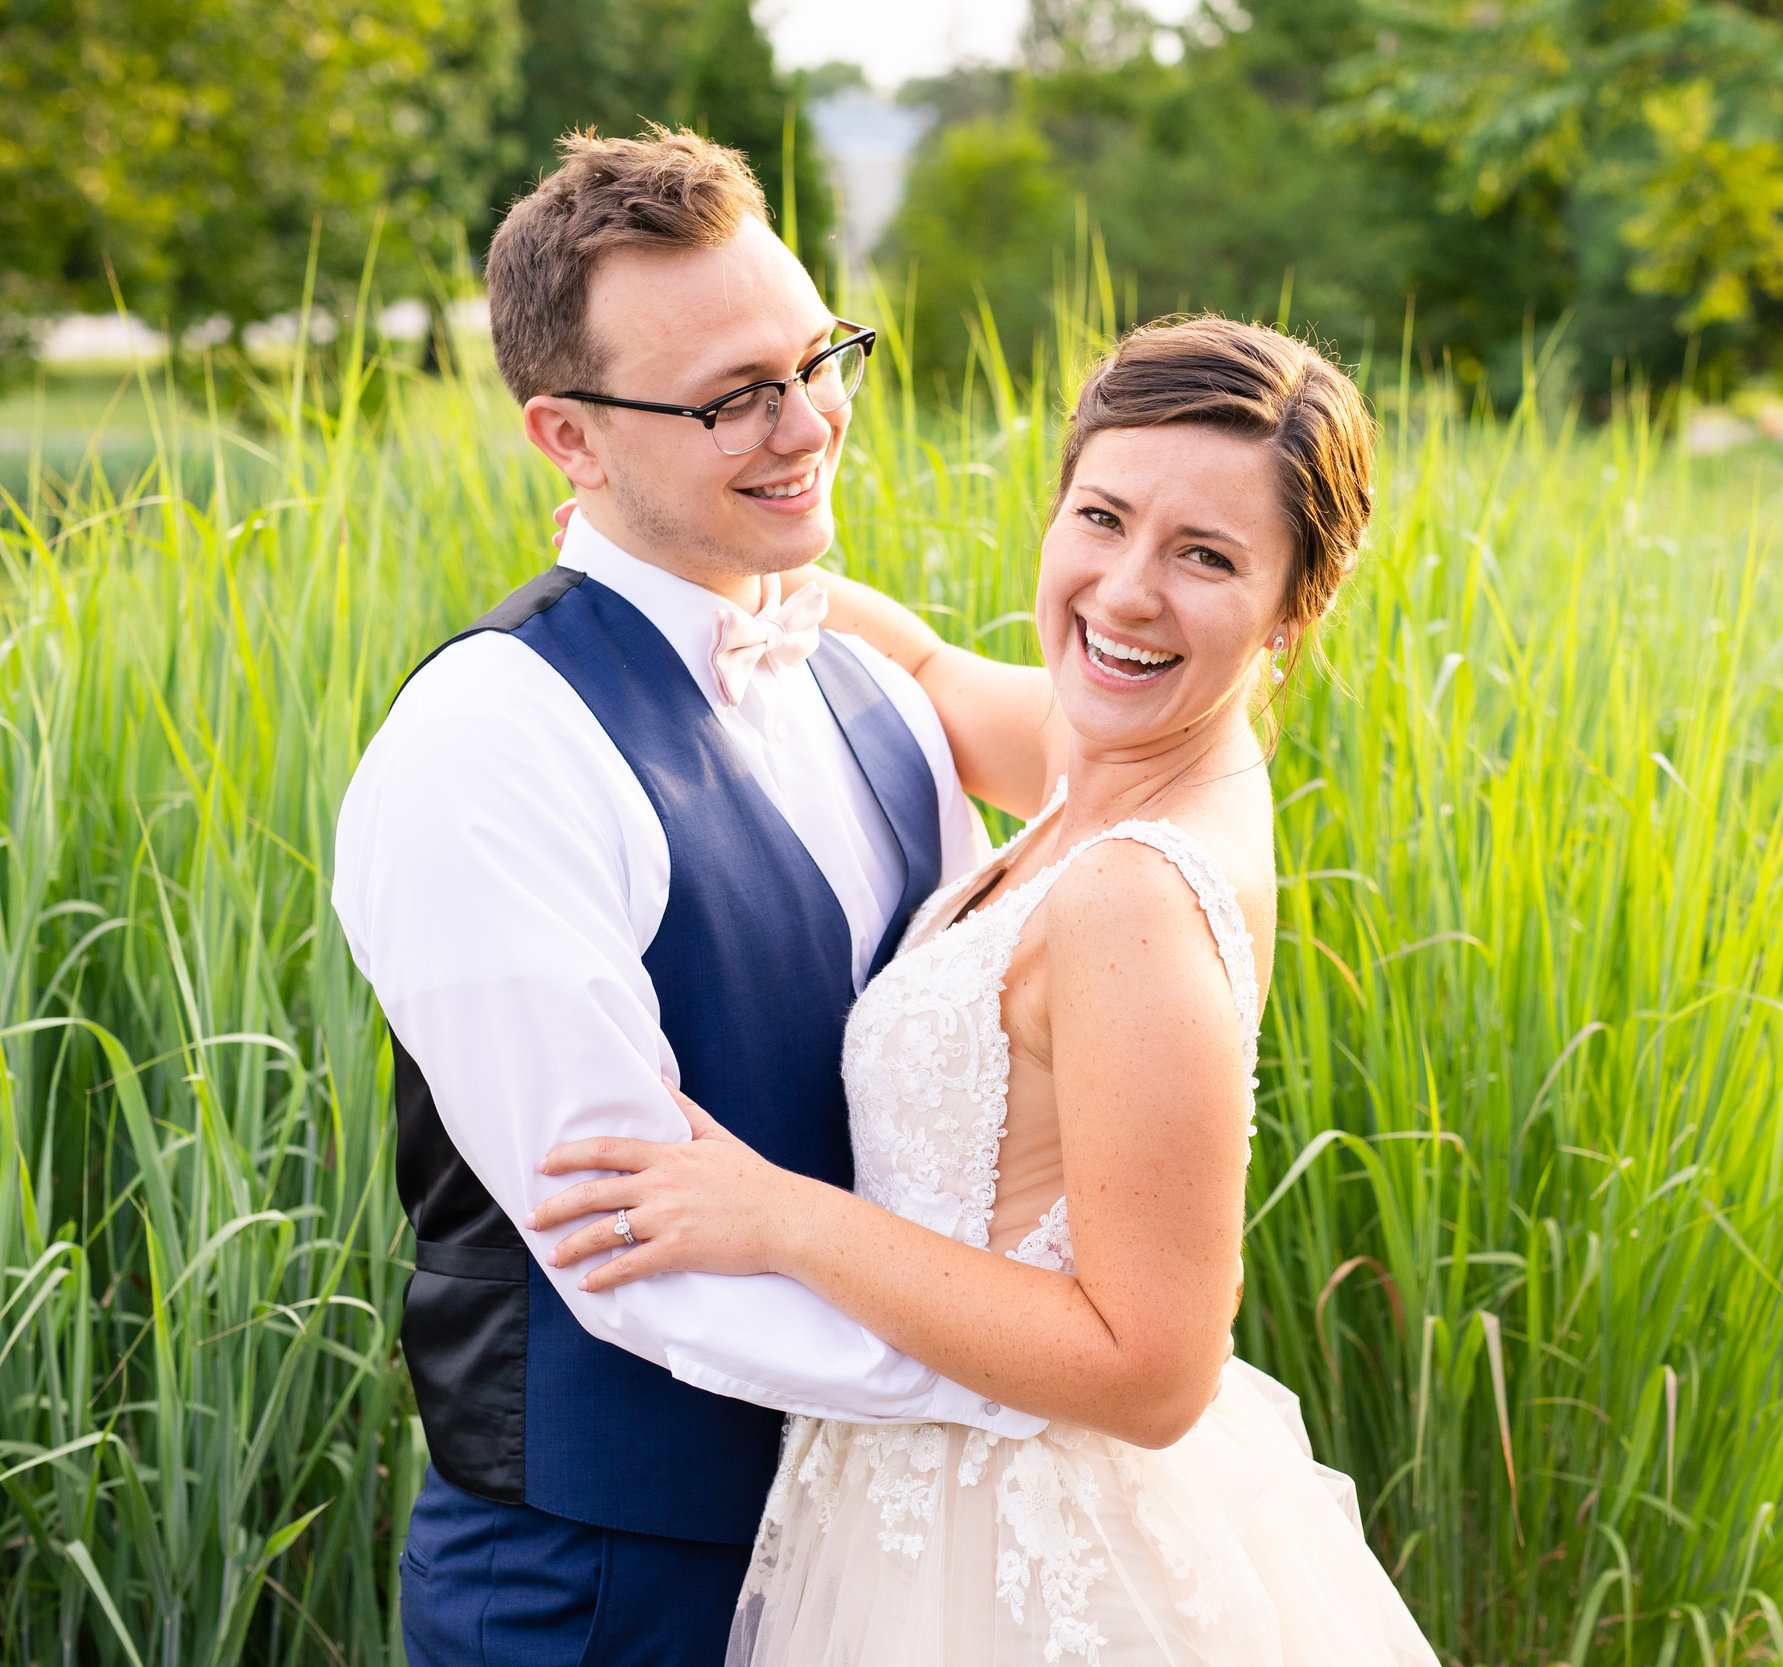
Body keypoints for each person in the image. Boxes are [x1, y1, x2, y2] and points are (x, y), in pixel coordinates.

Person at [525, 317, 1435, 1661]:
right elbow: (940, 675)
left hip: (1021, 1551)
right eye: (1103, 517)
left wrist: (781, 1219)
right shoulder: (1123, 748)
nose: (1126, 593)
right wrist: (679, 558)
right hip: (920, 1494)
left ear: (1294, 609)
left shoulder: (1135, 892)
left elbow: (1151, 1367)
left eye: (1206, 557)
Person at [333, 127, 1046, 1665]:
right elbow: (634, 1252)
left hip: (893, 1547)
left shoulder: (861, 675)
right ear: (569, 439)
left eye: (819, 359)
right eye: (734, 397)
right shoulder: (491, 743)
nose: (810, 423)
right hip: (606, 1583)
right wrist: (1039, 1372)